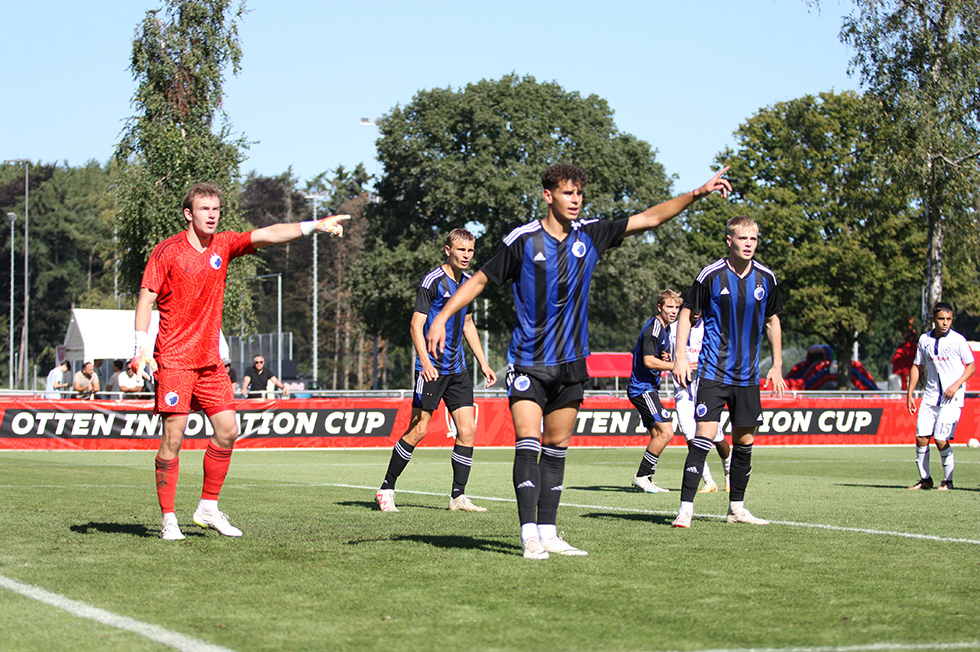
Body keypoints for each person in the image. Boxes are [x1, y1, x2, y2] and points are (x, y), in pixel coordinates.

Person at [426, 163, 731, 559]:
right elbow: (480, 281)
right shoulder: (523, 240)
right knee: (528, 443)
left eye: (579, 194)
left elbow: (651, 218)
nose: (575, 200)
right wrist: (444, 317)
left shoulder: (591, 233)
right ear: (548, 195)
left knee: (557, 446)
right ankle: (528, 535)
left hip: (571, 364)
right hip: (529, 361)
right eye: (567, 193)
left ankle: (550, 532)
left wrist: (697, 193)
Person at [133, 181, 348, 540]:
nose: (212, 215)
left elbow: (269, 234)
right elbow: (145, 300)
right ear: (189, 214)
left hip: (211, 361)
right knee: (173, 439)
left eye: (216, 209)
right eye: (205, 209)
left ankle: (208, 508)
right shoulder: (166, 252)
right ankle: (168, 517)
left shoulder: (224, 243)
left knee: (228, 430)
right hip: (173, 360)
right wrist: (140, 347)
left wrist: (314, 225)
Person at [671, 215, 785, 529]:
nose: (749, 244)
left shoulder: (766, 278)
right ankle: (685, 509)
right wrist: (680, 357)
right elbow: (686, 314)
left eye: (754, 239)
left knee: (744, 441)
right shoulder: (711, 275)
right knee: (703, 438)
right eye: (743, 238)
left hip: (747, 377)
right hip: (714, 372)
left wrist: (776, 365)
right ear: (729, 240)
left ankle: (736, 508)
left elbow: (773, 320)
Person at [376, 228, 497, 513]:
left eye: (470, 250)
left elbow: (467, 324)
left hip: (458, 369)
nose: (467, 255)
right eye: (461, 250)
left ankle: (458, 496)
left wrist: (483, 361)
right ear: (448, 250)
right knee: (419, 430)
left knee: (468, 429)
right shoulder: (432, 281)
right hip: (431, 369)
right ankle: (386, 489)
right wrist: (425, 361)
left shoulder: (468, 283)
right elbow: (415, 326)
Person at [906, 302, 975, 490]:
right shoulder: (924, 340)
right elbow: (916, 365)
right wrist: (910, 392)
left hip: (952, 398)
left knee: (940, 438)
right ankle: (925, 479)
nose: (945, 323)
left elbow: (971, 366)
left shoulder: (958, 340)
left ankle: (948, 482)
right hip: (930, 396)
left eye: (948, 319)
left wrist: (956, 384)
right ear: (934, 320)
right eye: (941, 319)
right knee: (921, 437)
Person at [669, 310, 731, 493]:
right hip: (682, 392)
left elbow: (721, 355)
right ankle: (709, 481)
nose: (695, 313)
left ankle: (729, 473)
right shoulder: (673, 328)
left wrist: (700, 363)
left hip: (705, 390)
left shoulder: (710, 327)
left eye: (699, 310)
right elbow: (664, 351)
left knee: (717, 437)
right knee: (690, 437)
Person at [627, 289, 682, 494]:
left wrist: (664, 358)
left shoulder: (664, 329)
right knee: (666, 432)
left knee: (657, 434)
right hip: (643, 388)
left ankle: (646, 478)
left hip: (647, 387)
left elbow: (654, 358)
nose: (674, 311)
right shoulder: (655, 328)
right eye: (669, 307)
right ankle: (641, 476)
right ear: (659, 308)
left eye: (677, 307)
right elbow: (648, 361)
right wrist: (676, 365)